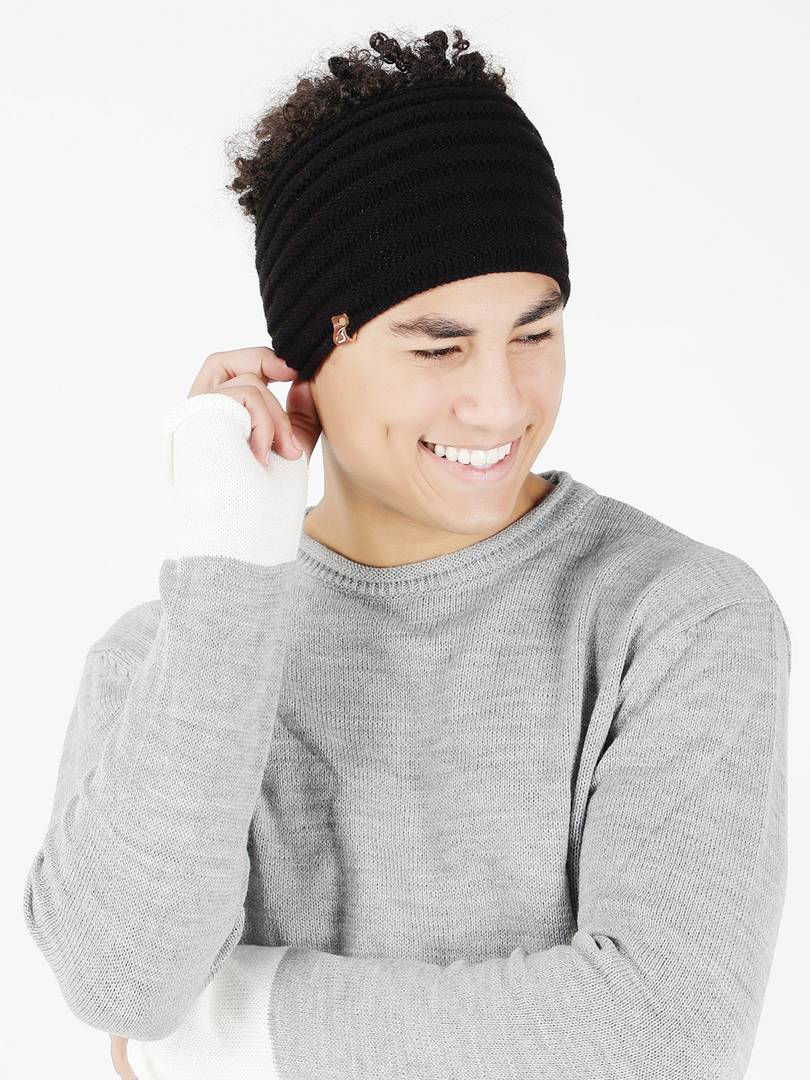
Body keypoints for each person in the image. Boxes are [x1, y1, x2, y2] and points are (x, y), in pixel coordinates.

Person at [24, 27, 790, 1080]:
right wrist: (229, 550)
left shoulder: (676, 620)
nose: (501, 402)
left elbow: (662, 1038)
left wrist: (219, 1036)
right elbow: (121, 985)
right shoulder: (173, 658)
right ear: (308, 359)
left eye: (535, 333)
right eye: (438, 346)